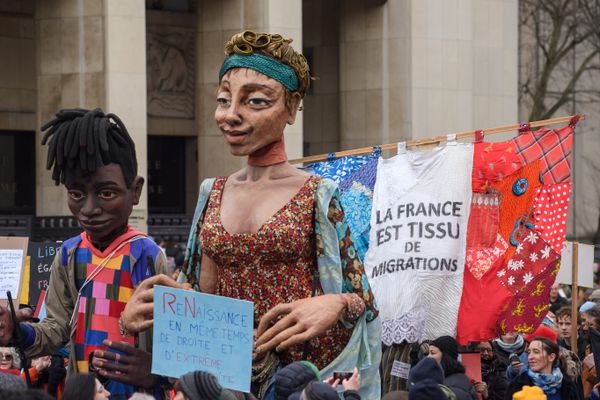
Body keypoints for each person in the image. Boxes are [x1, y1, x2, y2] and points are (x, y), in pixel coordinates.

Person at [120, 30, 381, 399]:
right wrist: (151, 309)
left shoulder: (317, 194)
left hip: (296, 377)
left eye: (256, 101)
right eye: (223, 99)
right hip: (224, 379)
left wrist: (336, 303)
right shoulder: (212, 192)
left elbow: (362, 299)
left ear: (291, 108)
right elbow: (198, 292)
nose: (230, 116)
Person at [0, 109, 168, 399]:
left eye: (106, 194)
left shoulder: (147, 255)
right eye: (77, 194)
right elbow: (54, 331)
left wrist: (156, 372)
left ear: (135, 190)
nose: (89, 209)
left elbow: (170, 339)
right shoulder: (68, 255)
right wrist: (18, 331)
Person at [504, 337, 578, 400]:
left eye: (536, 352)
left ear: (551, 357)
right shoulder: (517, 385)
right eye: (529, 352)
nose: (530, 357)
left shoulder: (567, 385)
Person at [429, 336, 477, 400]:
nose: (428, 357)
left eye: (432, 353)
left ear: (445, 356)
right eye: (428, 353)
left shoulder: (452, 388)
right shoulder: (451, 379)